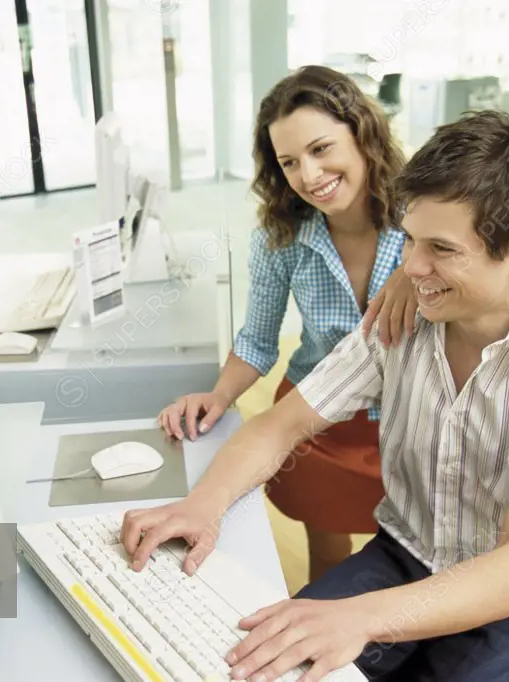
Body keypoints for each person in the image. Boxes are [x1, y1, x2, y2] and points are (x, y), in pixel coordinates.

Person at [125, 110, 509, 681]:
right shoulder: (404, 316)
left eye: (440, 249)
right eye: (411, 240)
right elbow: (280, 426)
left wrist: (360, 620)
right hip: (405, 556)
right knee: (264, 663)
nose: (410, 266)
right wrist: (204, 505)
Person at [157, 64, 418, 582]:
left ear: (361, 133)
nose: (310, 176)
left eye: (322, 149)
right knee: (327, 556)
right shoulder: (281, 238)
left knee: (416, 559)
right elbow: (257, 339)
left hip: (413, 422)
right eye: (290, 162)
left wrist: (417, 266)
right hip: (316, 418)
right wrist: (220, 397)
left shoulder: (423, 220)